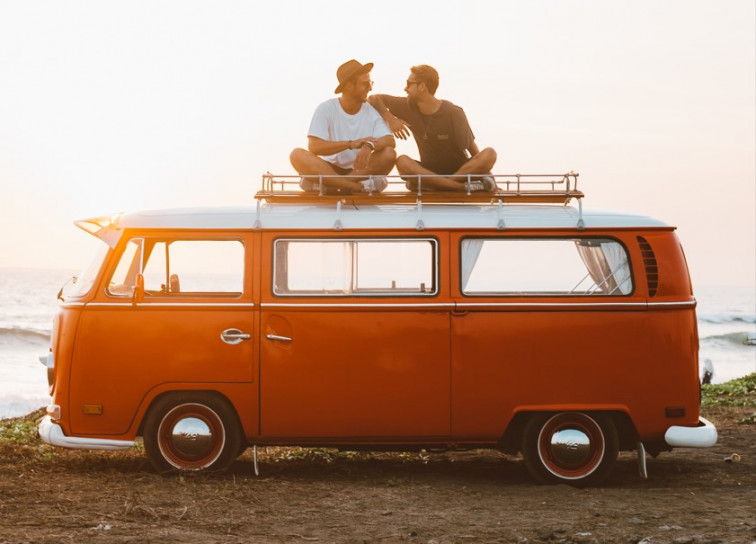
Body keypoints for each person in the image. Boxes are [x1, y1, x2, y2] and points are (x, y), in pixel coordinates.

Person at [368, 65, 497, 192]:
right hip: (429, 171)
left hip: (460, 171)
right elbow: (374, 98)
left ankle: (439, 185)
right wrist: (390, 119)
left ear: (422, 86)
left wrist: (488, 174)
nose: (405, 88)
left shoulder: (453, 112)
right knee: (402, 161)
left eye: (409, 84)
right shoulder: (407, 106)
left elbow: (472, 149)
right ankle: (459, 187)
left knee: (489, 153)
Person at [290, 60, 396, 194]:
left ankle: (334, 185)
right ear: (349, 86)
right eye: (365, 84)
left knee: (389, 153)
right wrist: (350, 144)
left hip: (360, 170)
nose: (370, 88)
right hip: (328, 169)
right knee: (297, 154)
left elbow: (389, 141)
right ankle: (353, 186)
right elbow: (314, 147)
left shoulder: (371, 111)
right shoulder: (326, 108)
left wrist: (369, 145)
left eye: (370, 83)